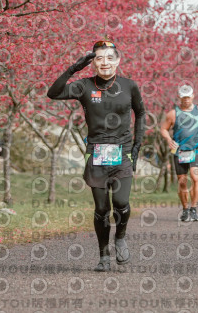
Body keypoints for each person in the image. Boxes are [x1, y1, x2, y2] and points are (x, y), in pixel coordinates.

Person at [47, 40, 145, 272]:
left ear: (117, 61)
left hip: (122, 152)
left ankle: (120, 237)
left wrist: (137, 144)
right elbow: (53, 93)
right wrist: (74, 68)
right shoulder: (84, 86)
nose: (104, 62)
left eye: (110, 58)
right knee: (101, 209)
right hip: (97, 153)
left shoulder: (129, 86)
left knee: (121, 202)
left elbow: (140, 113)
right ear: (93, 63)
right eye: (99, 58)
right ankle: (103, 256)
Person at [160, 85, 198, 222]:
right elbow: (163, 129)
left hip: (196, 149)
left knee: (195, 178)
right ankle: (185, 210)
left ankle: (194, 209)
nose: (186, 99)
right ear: (179, 97)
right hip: (179, 151)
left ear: (193, 96)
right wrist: (168, 140)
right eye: (183, 97)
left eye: (188, 97)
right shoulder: (172, 114)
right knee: (182, 182)